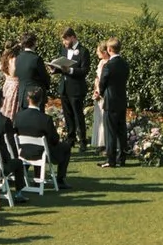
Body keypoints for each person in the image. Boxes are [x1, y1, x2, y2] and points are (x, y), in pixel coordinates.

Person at [11, 98, 67, 190]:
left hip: (23, 152)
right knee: (66, 147)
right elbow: (54, 139)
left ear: (28, 99)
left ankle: (32, 177)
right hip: (41, 153)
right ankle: (60, 180)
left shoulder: (18, 116)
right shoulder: (45, 118)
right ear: (40, 101)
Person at [54, 29, 91, 152]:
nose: (64, 42)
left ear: (73, 37)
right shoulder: (63, 49)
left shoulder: (83, 51)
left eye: (66, 39)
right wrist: (55, 69)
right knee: (67, 114)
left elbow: (84, 70)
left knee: (78, 115)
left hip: (76, 88)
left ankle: (83, 140)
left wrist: (70, 70)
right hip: (64, 87)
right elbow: (61, 66)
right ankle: (71, 138)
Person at [95, 38, 129, 167]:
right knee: (121, 131)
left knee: (110, 132)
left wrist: (100, 93)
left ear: (109, 49)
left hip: (110, 101)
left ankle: (111, 160)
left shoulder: (108, 65)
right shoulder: (125, 64)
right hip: (122, 100)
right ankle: (122, 158)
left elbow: (102, 83)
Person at [14, 33, 49, 108]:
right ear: (34, 43)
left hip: (22, 95)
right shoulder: (37, 59)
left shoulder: (18, 58)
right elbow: (44, 78)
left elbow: (17, 73)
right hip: (35, 97)